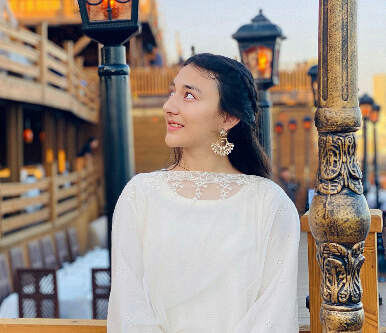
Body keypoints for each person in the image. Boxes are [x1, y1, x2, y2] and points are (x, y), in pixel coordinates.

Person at [107, 53, 300, 332]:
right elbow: (128, 309)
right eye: (173, 92)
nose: (168, 106)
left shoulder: (269, 204)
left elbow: (273, 317)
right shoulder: (140, 195)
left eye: (188, 95)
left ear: (228, 117)